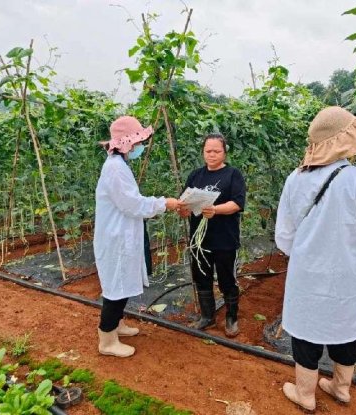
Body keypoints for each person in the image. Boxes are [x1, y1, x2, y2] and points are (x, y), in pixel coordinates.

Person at [274, 106, 356, 411]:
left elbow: (285, 235)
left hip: (307, 274)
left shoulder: (295, 179)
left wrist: (305, 252)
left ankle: (305, 394)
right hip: (348, 274)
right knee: (345, 329)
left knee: (306, 332)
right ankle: (341, 388)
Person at [94, 115, 179, 358]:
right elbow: (132, 204)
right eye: (139, 141)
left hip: (121, 235)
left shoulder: (119, 164)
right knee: (115, 289)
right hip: (116, 238)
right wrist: (164, 203)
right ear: (127, 142)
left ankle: (117, 325)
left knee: (121, 284)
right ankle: (107, 340)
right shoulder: (115, 169)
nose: (140, 146)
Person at [178, 133, 246, 337]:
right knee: (202, 277)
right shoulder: (196, 175)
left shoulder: (233, 175)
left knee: (227, 279)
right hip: (200, 239)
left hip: (225, 238)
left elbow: (237, 203)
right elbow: (185, 202)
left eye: (216, 151)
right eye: (208, 151)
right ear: (203, 152)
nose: (212, 154)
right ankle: (207, 317)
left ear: (224, 152)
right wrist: (183, 209)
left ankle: (231, 318)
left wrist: (215, 209)